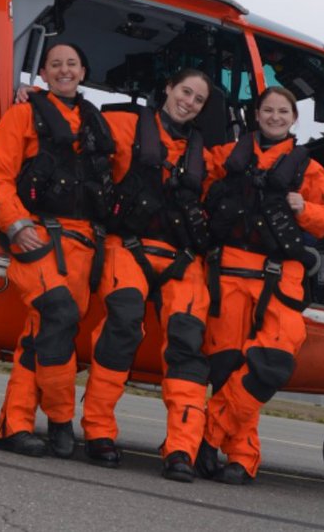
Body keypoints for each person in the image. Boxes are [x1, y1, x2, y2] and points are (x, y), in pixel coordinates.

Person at [197, 86, 324, 484]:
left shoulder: (308, 169)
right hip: (229, 272)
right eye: (268, 110)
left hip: (281, 276)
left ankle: (205, 437)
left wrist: (307, 209)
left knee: (270, 365)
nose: (275, 117)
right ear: (256, 114)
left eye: (283, 111)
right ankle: (241, 458)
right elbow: (188, 178)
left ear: (293, 118)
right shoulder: (227, 155)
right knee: (229, 368)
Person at [80, 68, 215, 482]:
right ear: (168, 88)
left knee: (188, 346)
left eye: (198, 100)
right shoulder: (122, 125)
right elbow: (72, 128)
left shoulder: (207, 157)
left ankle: (181, 449)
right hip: (129, 246)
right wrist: (29, 96)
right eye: (185, 92)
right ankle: (98, 431)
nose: (188, 102)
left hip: (182, 259)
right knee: (122, 325)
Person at [0, 42, 116, 458]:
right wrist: (16, 224)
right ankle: (61, 420)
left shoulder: (96, 122)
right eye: (55, 64)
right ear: (42, 74)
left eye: (72, 64)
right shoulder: (24, 112)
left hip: (82, 246)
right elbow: (0, 176)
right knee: (58, 316)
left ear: (83, 71)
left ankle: (15, 425)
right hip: (37, 236)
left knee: (42, 335)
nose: (64, 71)